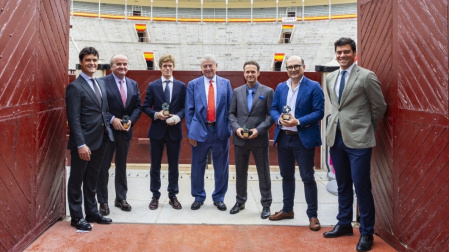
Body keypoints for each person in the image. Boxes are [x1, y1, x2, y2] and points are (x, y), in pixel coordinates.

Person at [323, 37, 386, 252]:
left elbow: (379, 106)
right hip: (336, 138)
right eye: (339, 52)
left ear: (354, 53)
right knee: (342, 184)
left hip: (359, 140)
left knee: (362, 186)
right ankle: (344, 224)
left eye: (346, 52)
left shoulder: (367, 76)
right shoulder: (330, 77)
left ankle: (367, 232)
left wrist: (366, 128)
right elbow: (335, 106)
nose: (342, 55)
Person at [269, 55, 324, 232]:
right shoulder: (280, 87)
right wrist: (278, 120)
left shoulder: (314, 86)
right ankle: (287, 210)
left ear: (303, 66)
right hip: (284, 137)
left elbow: (319, 112)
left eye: (296, 66)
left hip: (303, 138)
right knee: (286, 176)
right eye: (289, 67)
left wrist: (298, 121)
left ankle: (313, 215)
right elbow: (273, 108)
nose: (293, 70)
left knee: (307, 177)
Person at [66, 47, 114, 231]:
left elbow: (104, 111)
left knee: (93, 177)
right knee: (77, 179)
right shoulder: (74, 87)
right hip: (84, 143)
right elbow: (74, 118)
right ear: (81, 62)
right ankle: (77, 217)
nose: (92, 63)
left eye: (94, 60)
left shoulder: (100, 83)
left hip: (102, 138)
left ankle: (92, 212)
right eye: (88, 60)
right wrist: (80, 144)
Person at [185, 54, 232, 211]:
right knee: (197, 166)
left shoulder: (226, 84)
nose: (208, 68)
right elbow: (189, 110)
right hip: (200, 131)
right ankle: (198, 196)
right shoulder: (193, 84)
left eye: (210, 65)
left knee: (221, 167)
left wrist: (229, 129)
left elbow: (231, 109)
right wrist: (191, 132)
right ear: (201, 68)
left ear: (216, 66)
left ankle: (219, 197)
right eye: (204, 66)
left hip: (220, 132)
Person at [96, 54, 142, 215]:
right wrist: (111, 119)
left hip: (125, 132)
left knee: (122, 166)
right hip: (107, 132)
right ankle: (102, 201)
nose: (122, 66)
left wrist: (131, 121)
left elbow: (138, 106)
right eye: (118, 64)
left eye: (125, 64)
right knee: (103, 167)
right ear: (112, 66)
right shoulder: (101, 82)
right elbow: (98, 106)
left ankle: (121, 198)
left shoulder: (133, 84)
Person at [228, 61, 274, 219]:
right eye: (247, 72)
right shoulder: (237, 91)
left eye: (253, 71)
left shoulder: (267, 91)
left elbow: (271, 116)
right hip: (240, 138)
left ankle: (266, 205)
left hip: (258, 139)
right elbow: (231, 114)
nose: (250, 74)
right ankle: (240, 201)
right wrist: (236, 128)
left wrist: (259, 130)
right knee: (240, 172)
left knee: (263, 172)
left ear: (258, 73)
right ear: (243, 73)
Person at [143, 54, 186, 210]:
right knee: (155, 165)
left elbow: (185, 108)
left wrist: (177, 117)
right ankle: (155, 196)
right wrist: (156, 115)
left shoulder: (181, 86)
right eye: (164, 66)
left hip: (174, 131)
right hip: (157, 131)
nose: (167, 68)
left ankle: (172, 195)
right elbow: (146, 106)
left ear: (173, 67)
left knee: (173, 166)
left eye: (170, 65)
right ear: (160, 68)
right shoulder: (153, 86)